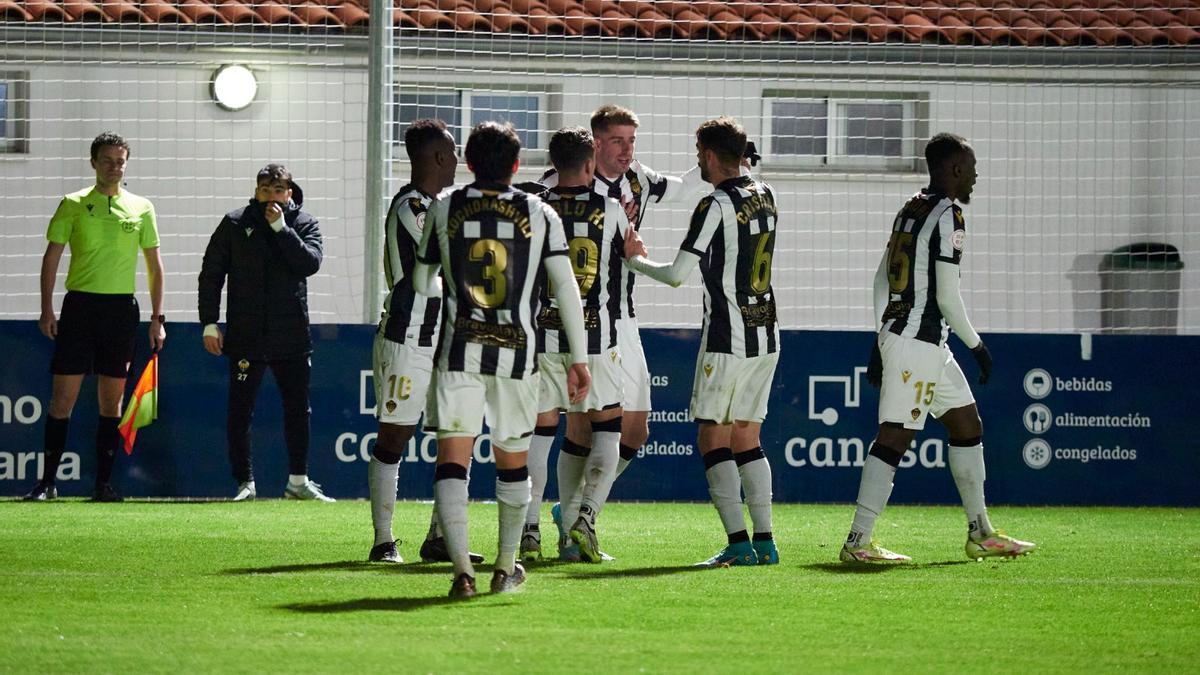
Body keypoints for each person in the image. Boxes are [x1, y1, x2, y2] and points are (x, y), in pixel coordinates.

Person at [839, 133, 1036, 564]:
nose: (977, 176)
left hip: (925, 342)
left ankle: (980, 531)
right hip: (917, 342)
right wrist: (978, 346)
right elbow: (947, 296)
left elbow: (879, 281)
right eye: (972, 167)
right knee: (895, 435)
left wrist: (879, 337)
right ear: (955, 169)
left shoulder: (911, 208)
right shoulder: (950, 216)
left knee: (967, 425)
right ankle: (857, 542)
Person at [413, 121, 591, 598]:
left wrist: (449, 289)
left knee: (454, 460)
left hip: (458, 351)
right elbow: (567, 289)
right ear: (516, 165)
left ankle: (461, 574)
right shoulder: (540, 212)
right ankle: (504, 568)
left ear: (469, 162)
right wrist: (580, 356)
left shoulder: (444, 207)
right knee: (512, 463)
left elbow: (421, 282)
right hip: (519, 351)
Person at [537, 104, 707, 552]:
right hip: (571, 325)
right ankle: (573, 522)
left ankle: (570, 510)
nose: (627, 150)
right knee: (582, 427)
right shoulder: (558, 185)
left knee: (635, 431)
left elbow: (687, 188)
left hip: (622, 319)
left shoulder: (639, 181)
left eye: (632, 140)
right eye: (617, 141)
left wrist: (724, 157)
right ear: (594, 145)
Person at [623, 116, 781, 567]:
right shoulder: (767, 195)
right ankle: (765, 543)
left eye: (699, 157)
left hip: (727, 336)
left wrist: (635, 261)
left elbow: (676, 275)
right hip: (767, 332)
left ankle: (737, 544)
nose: (699, 164)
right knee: (748, 437)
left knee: (714, 438)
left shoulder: (715, 205)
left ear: (711, 157)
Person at [23, 132, 166, 502]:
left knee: (112, 402)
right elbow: (51, 258)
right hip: (80, 308)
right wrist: (47, 308)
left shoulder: (141, 207)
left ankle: (103, 485)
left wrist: (157, 317)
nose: (114, 167)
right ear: (93, 163)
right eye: (107, 161)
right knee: (62, 399)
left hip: (120, 310)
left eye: (120, 161)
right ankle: (47, 483)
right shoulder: (72, 204)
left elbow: (154, 266)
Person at [366, 118, 482, 565]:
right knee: (395, 435)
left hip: (445, 339)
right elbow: (452, 260)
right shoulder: (412, 207)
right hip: (408, 336)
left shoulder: (439, 205)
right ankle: (382, 540)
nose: (457, 161)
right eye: (452, 153)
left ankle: (439, 537)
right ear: (436, 157)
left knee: (456, 434)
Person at [522, 127, 632, 564]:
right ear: (590, 164)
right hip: (596, 336)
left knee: (541, 430)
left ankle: (528, 530)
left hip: (544, 334)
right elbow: (629, 268)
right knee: (608, 426)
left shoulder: (536, 209)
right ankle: (584, 520)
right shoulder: (611, 209)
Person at [198, 164, 332, 502]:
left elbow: (310, 263)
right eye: (264, 190)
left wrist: (281, 229)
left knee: (298, 409)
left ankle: (298, 482)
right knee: (240, 409)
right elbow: (211, 274)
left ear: (289, 193)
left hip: (292, 336)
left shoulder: (304, 223)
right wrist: (210, 323)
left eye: (277, 191)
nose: (270, 197)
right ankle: (245, 482)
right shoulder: (235, 222)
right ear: (256, 191)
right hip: (246, 334)